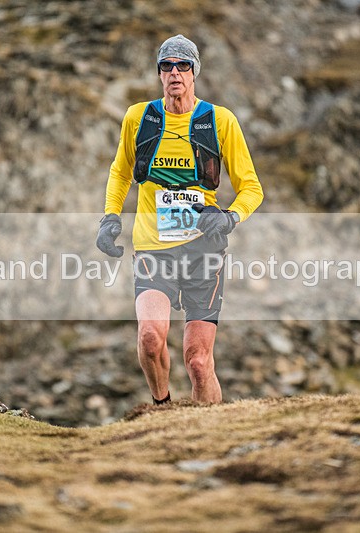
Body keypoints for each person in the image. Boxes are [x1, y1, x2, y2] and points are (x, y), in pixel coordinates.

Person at [96, 34, 263, 404]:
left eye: (183, 65)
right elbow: (121, 172)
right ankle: (163, 407)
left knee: (199, 362)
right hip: (154, 248)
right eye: (166, 65)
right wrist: (110, 218)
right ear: (159, 73)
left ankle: (209, 429)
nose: (175, 72)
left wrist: (230, 217)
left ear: (194, 72)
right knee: (150, 338)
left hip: (204, 252)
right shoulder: (139, 118)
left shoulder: (219, 121)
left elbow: (252, 188)